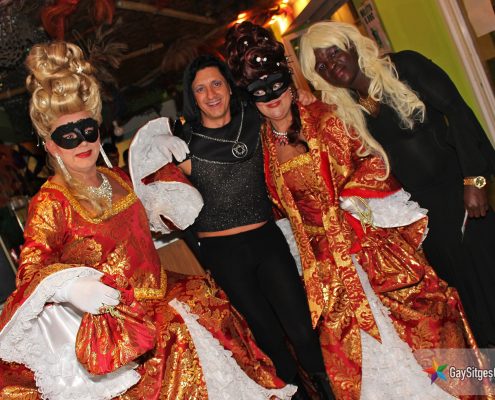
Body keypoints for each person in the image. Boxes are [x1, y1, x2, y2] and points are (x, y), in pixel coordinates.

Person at [0, 41, 297, 400]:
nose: (82, 142)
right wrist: (68, 288)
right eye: (68, 135)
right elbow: (30, 272)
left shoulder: (118, 179)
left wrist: (159, 186)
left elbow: (151, 231)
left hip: (170, 296)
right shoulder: (51, 201)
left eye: (88, 129)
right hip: (127, 331)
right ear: (50, 144)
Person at [225, 20, 481, 400]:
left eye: (276, 85)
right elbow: (283, 213)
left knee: (424, 337)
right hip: (327, 273)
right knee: (362, 363)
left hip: (370, 248)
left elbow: (373, 160)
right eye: (259, 92)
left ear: (289, 81)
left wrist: (353, 205)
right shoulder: (261, 148)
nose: (271, 97)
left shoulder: (327, 117)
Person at [130, 55, 335, 398]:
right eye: (200, 89)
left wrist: (302, 94)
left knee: (302, 329)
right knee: (267, 337)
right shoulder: (182, 139)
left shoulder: (254, 119)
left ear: (228, 86)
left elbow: (287, 112)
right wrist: (156, 147)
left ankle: (330, 391)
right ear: (192, 97)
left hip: (267, 241)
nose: (210, 94)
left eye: (216, 84)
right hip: (224, 254)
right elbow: (144, 182)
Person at [298, 21, 495, 347]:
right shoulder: (349, 111)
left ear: (351, 45)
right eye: (321, 66)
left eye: (334, 53)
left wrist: (475, 180)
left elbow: (459, 112)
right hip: (423, 221)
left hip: (462, 199)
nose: (332, 66)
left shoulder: (405, 66)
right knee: (469, 307)